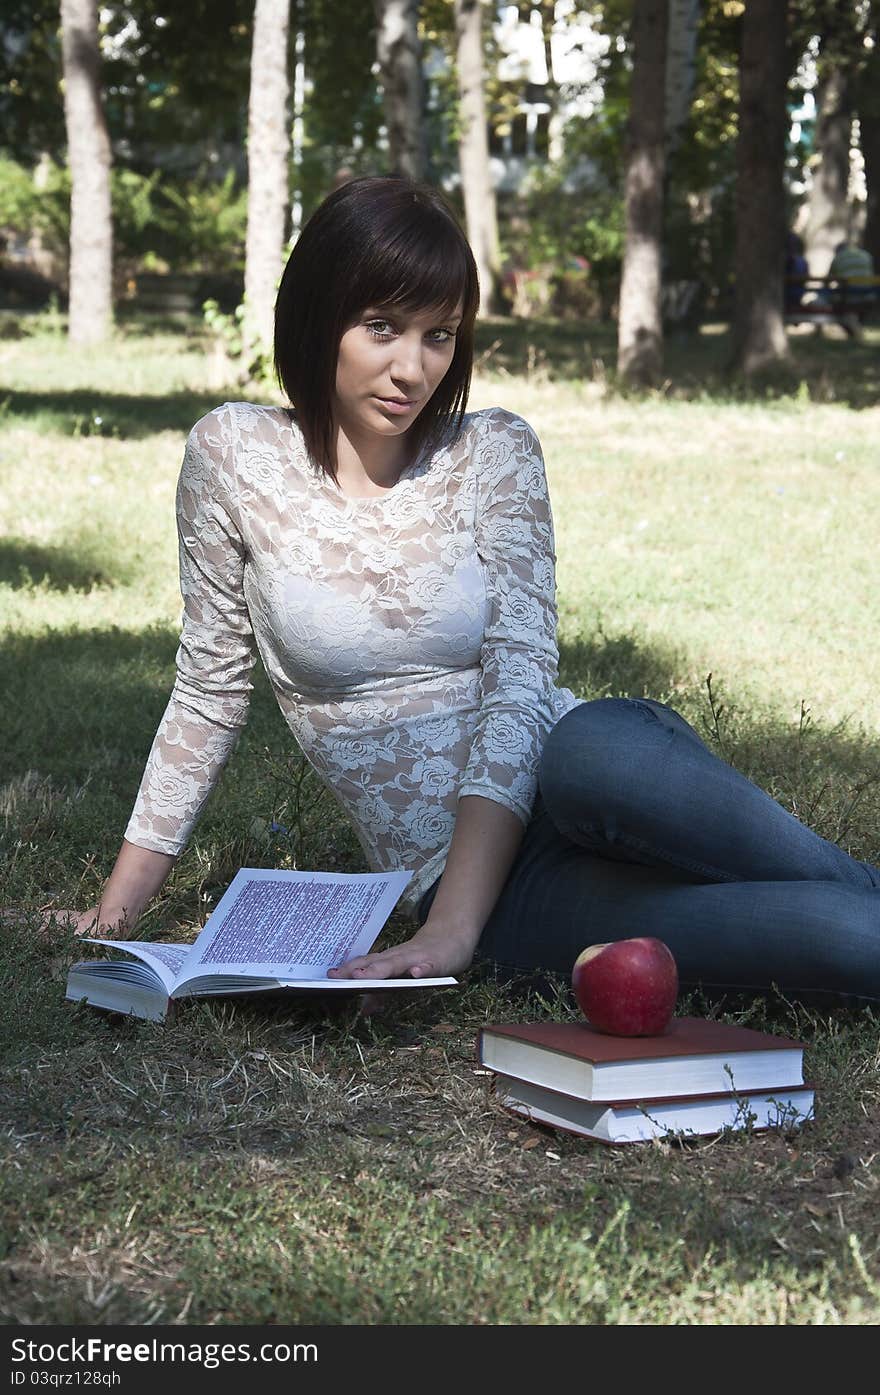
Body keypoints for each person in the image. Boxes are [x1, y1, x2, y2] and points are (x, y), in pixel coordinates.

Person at [59, 176, 880, 1005]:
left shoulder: (495, 452)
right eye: (382, 327)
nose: (411, 369)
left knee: (591, 750)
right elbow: (208, 692)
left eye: (439, 335)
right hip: (506, 894)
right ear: (318, 314)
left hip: (581, 777)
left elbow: (522, 677)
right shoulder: (233, 456)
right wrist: (117, 913)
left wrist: (450, 930)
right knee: (840, 939)